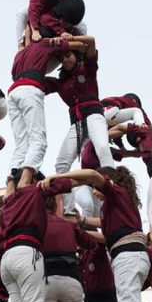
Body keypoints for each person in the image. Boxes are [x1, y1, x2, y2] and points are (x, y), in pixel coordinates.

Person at [44, 166, 152, 302]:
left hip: (127, 256)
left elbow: (93, 175)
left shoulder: (116, 193)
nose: (94, 192)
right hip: (132, 255)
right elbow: (106, 235)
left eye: (95, 187)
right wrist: (80, 222)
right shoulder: (115, 206)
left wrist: (59, 177)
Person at [0, 171, 73, 302]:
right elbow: (66, 184)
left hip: (7, 258)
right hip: (27, 252)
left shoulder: (8, 202)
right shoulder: (35, 190)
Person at [7, 36, 93, 185]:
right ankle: (24, 182)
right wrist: (65, 41)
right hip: (29, 89)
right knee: (38, 140)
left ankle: (10, 185)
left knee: (22, 143)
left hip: (13, 92)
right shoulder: (43, 43)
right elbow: (79, 45)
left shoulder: (19, 54)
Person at [46, 34, 114, 214]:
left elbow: (91, 41)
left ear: (76, 55)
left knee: (102, 148)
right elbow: (38, 78)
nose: (65, 60)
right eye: (61, 58)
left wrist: (69, 38)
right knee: (61, 165)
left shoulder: (87, 68)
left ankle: (112, 193)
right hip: (76, 124)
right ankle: (68, 210)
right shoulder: (60, 82)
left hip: (94, 116)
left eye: (68, 55)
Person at [40, 196, 99, 302]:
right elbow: (93, 244)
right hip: (72, 282)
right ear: (58, 204)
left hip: (47, 281)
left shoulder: (38, 225)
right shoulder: (69, 225)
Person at [108, 121, 152, 242]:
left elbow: (122, 127)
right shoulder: (150, 140)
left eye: (136, 141)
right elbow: (134, 154)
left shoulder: (148, 131)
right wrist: (117, 152)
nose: (138, 143)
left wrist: (103, 135)